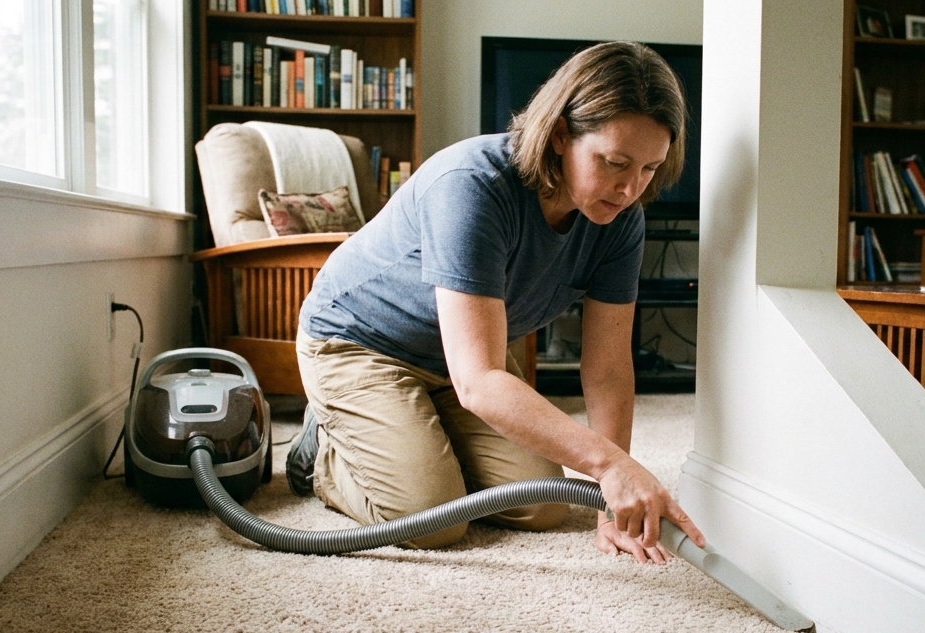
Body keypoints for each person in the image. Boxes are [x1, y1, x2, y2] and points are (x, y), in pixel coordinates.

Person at [287, 41, 706, 563]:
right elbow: (480, 380)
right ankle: (322, 451)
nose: (629, 189)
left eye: (649, 169)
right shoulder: (472, 186)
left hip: (461, 356)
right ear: (559, 135)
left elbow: (609, 369)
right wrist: (607, 466)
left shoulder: (622, 220)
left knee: (541, 507)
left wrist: (607, 503)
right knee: (431, 519)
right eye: (614, 162)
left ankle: (416, 439)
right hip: (360, 342)